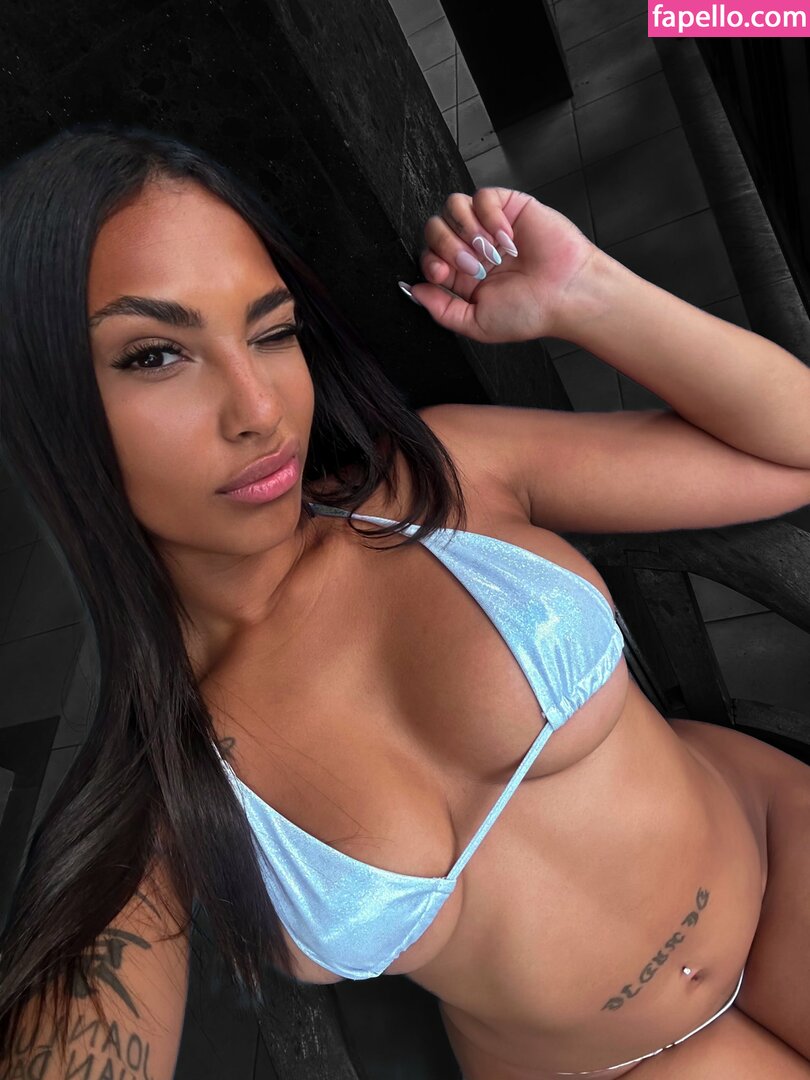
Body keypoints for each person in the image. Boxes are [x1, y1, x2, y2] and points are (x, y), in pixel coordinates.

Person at [0, 121, 809, 1080]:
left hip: (777, 864)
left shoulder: (440, 482)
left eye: (271, 331)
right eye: (154, 356)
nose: (259, 409)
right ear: (42, 407)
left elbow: (794, 447)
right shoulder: (162, 793)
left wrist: (588, 293)